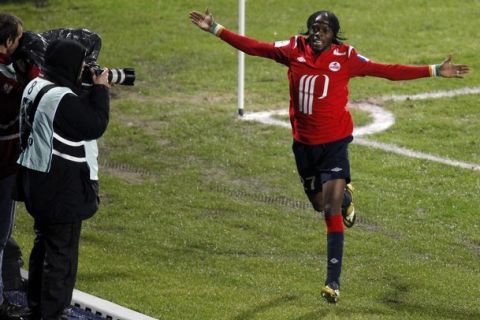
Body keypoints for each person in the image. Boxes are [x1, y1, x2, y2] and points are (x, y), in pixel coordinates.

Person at [189, 9, 469, 303]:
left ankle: (332, 282)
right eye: (313, 28)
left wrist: (434, 70)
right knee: (318, 203)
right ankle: (346, 198)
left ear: (334, 34)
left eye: (324, 29)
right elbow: (255, 47)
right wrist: (214, 28)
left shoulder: (346, 57)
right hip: (304, 145)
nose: (317, 33)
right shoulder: (292, 49)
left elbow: (386, 70)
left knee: (329, 211)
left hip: (335, 143)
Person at [17, 38, 110, 320]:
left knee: (43, 245)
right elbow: (94, 124)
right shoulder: (61, 99)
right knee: (61, 256)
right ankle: (51, 313)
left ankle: (37, 308)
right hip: (60, 188)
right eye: (81, 65)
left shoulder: (36, 85)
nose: (83, 69)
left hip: (37, 181)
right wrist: (101, 89)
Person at [0, 12, 37, 320]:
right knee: (0, 237)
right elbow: (23, 105)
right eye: (19, 39)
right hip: (3, 166)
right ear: (7, 42)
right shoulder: (7, 84)